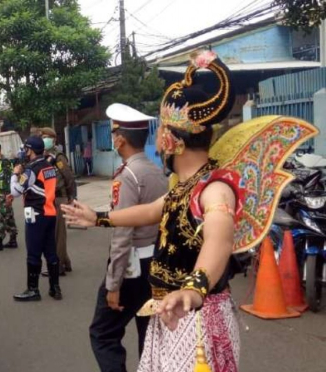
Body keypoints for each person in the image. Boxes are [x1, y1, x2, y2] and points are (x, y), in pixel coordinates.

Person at [62, 51, 264, 372]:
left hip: (197, 317)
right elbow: (153, 210)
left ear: (172, 139)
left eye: (160, 131)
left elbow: (218, 240)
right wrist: (99, 217)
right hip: (170, 311)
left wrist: (194, 288)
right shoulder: (182, 185)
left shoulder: (214, 188)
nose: (156, 139)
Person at [89, 104, 168, 372]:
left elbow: (123, 234)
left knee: (103, 333)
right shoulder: (157, 172)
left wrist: (113, 283)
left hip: (132, 269)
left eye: (113, 133)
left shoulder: (128, 176)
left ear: (121, 138)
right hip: (154, 266)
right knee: (149, 333)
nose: (112, 138)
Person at [10, 136, 62, 301]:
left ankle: (33, 290)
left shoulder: (32, 169)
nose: (24, 152)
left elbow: (15, 191)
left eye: (26, 149)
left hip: (35, 214)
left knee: (33, 253)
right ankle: (55, 288)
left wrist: (14, 175)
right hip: (50, 213)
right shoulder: (49, 166)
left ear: (30, 150)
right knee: (51, 252)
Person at [39, 127, 77, 276]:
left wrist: (71, 195)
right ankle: (65, 261)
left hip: (59, 197)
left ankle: (59, 265)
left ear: (53, 139)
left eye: (46, 137)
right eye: (42, 137)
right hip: (49, 198)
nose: (43, 139)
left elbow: (68, 176)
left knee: (58, 234)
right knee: (56, 232)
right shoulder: (44, 156)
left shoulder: (59, 157)